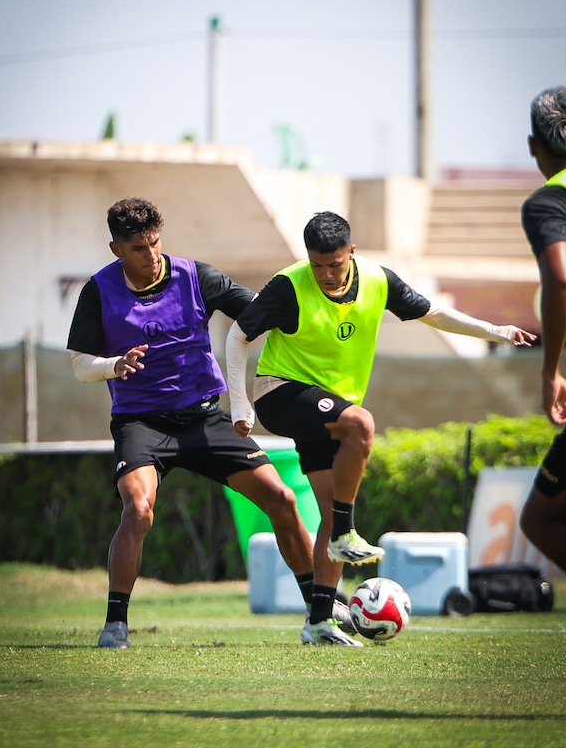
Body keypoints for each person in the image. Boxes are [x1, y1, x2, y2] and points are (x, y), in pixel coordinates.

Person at [226, 211, 536, 646]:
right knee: (361, 424)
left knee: (330, 515)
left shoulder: (377, 280)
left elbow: (434, 313)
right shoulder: (288, 285)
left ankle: (318, 622)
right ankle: (347, 530)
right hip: (280, 393)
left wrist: (496, 331)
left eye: (334, 264)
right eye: (317, 265)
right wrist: (240, 403)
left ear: (351, 252)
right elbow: (237, 335)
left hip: (327, 407)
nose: (325, 274)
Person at [67, 196, 319, 649]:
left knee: (282, 498)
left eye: (156, 243)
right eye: (139, 248)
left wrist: (301, 312)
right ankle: (115, 625)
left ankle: (320, 613)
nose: (152, 255)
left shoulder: (195, 276)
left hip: (203, 418)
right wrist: (112, 365)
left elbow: (256, 312)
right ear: (116, 249)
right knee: (138, 510)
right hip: (140, 424)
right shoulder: (98, 291)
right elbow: (80, 364)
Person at [519, 85, 566, 589]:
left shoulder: (555, 201)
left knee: (542, 519)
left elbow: (562, 279)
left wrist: (550, 372)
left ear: (533, 146)